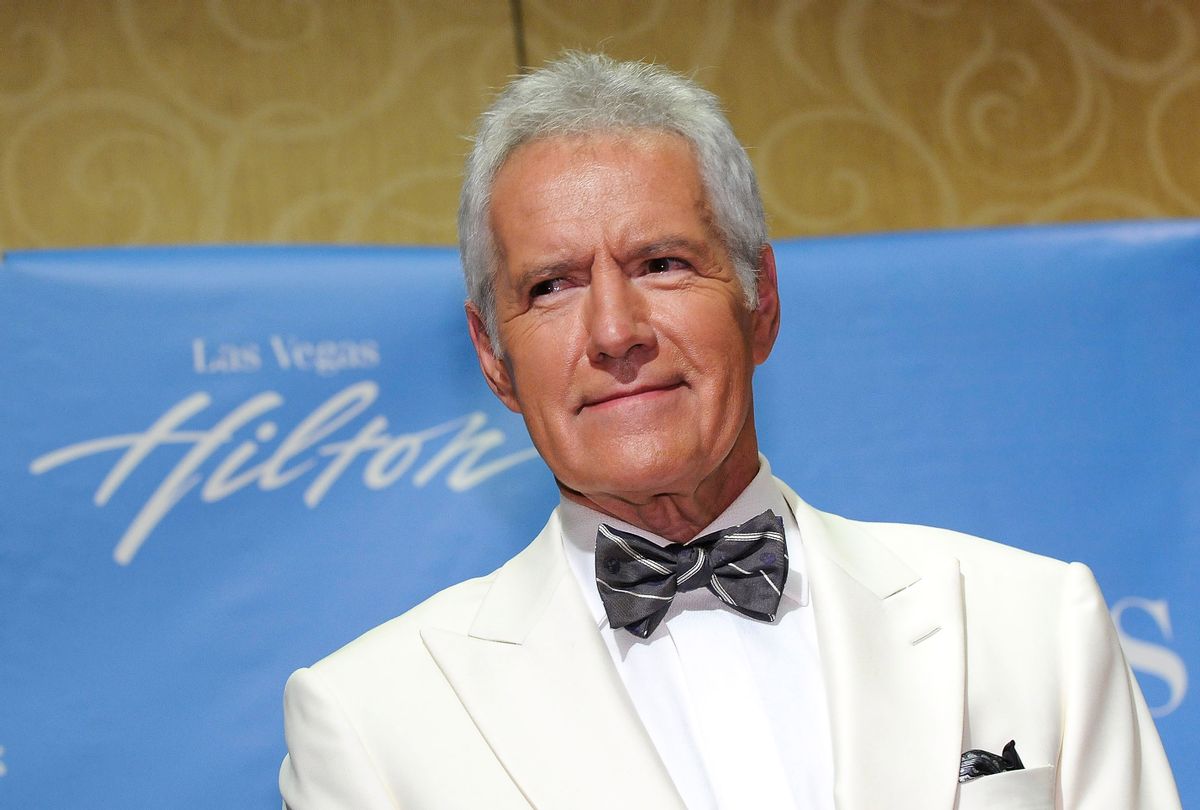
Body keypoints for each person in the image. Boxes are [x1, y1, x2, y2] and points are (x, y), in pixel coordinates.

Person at [279, 53, 1181, 810]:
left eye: (662, 264)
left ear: (761, 302)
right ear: (492, 355)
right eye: (551, 285)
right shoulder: (370, 721)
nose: (614, 331)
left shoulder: (1033, 624)